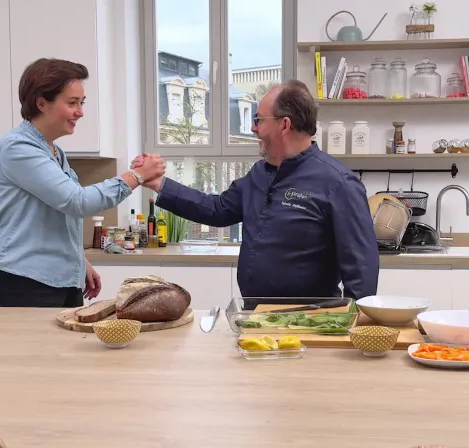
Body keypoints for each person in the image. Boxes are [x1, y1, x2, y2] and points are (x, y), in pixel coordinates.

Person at [134, 79, 378, 300]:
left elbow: (361, 265)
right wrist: (159, 184)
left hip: (311, 320)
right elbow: (216, 209)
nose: (253, 128)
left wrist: (357, 323)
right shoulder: (259, 173)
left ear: (284, 125)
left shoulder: (338, 182)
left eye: (259, 120)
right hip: (254, 316)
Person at [0, 58, 165, 308]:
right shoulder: (17, 147)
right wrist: (136, 175)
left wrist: (77, 262)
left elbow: (51, 217)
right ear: (41, 103)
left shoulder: (54, 151)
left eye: (81, 103)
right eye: (72, 103)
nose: (80, 112)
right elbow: (77, 201)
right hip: (18, 281)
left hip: (54, 280)